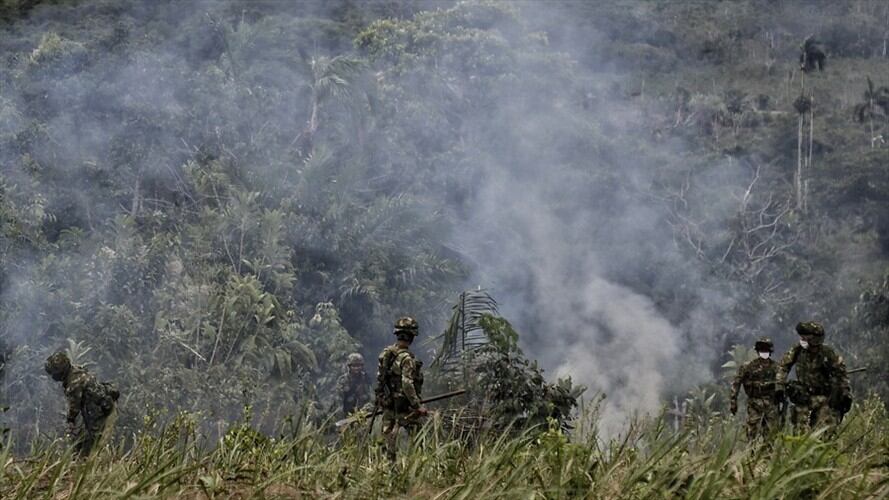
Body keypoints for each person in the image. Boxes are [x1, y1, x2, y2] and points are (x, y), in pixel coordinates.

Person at [776, 322, 851, 431]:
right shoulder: (797, 350)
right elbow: (783, 366)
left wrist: (844, 393)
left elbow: (841, 374)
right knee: (800, 433)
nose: (802, 339)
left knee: (823, 433)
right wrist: (779, 386)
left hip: (824, 399)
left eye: (805, 337)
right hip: (803, 398)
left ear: (814, 339)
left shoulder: (828, 353)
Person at [44, 351, 118, 455]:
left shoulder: (73, 383)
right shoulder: (75, 370)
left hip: (100, 410)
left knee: (92, 444)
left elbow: (74, 407)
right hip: (100, 405)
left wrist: (70, 419)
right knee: (83, 440)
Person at [375, 316, 426, 462]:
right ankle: (416, 466)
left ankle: (387, 468)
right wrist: (417, 405)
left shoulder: (386, 354)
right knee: (417, 438)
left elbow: (380, 377)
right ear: (411, 337)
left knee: (388, 436)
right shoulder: (406, 359)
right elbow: (407, 384)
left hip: (389, 402)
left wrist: (380, 397)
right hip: (404, 406)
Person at [729, 337, 780, 440]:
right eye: (762, 350)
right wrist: (733, 401)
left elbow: (782, 384)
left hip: (771, 404)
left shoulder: (776, 367)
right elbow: (736, 383)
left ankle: (767, 455)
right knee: (752, 434)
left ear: (770, 351)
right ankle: (751, 454)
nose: (764, 352)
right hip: (754, 404)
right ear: (757, 351)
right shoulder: (748, 367)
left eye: (766, 350)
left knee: (770, 436)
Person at [335, 352, 373, 417]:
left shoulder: (365, 377)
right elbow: (339, 399)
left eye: (359, 365)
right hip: (348, 412)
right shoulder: (343, 380)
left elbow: (370, 394)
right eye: (354, 366)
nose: (357, 368)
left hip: (364, 411)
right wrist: (340, 412)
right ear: (349, 366)